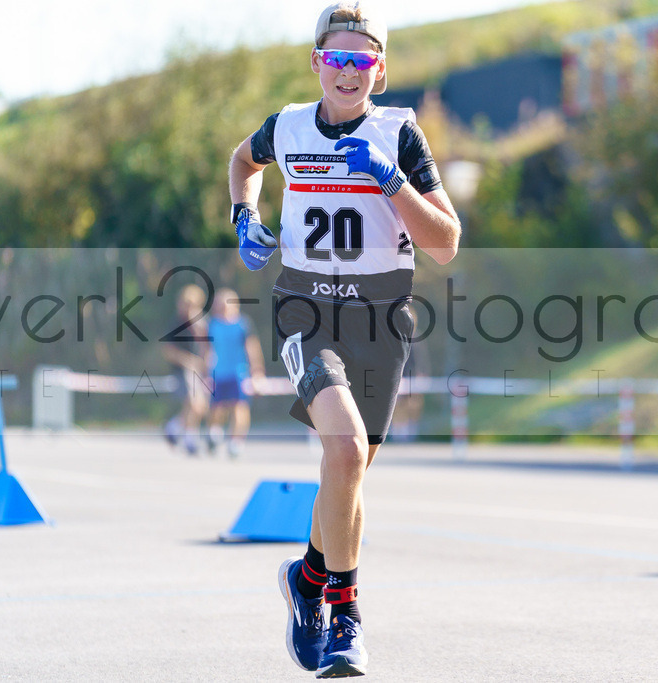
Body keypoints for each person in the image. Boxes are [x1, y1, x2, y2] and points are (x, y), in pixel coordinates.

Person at [227, 2, 461, 677]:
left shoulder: (400, 134)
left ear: (379, 70)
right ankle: (345, 617)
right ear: (317, 63)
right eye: (337, 57)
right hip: (305, 310)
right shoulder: (288, 126)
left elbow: (446, 242)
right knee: (347, 448)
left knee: (348, 470)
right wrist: (244, 215)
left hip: (382, 317)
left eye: (362, 59)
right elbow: (243, 161)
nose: (349, 70)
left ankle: (306, 579)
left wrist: (391, 182)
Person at [205, 288, 267, 458]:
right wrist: (205, 371)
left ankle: (236, 442)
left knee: (240, 406)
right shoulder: (212, 325)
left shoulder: (243, 324)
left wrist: (257, 370)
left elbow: (252, 347)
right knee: (217, 408)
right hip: (218, 373)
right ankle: (214, 433)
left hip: (239, 373)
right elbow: (206, 350)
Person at [163, 284, 210, 454]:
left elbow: (207, 347)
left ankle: (174, 428)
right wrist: (189, 361)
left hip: (200, 370)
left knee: (200, 406)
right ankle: (190, 439)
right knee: (195, 403)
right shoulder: (175, 323)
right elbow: (168, 351)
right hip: (182, 370)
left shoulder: (202, 324)